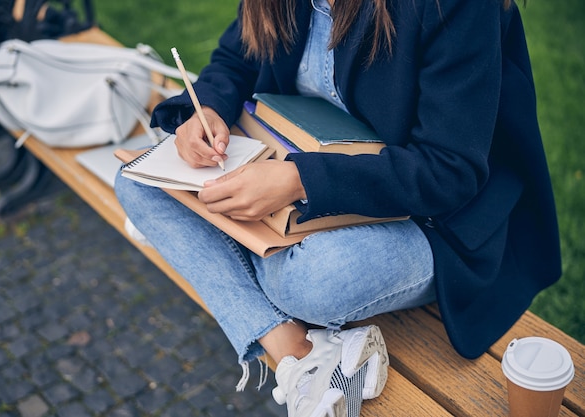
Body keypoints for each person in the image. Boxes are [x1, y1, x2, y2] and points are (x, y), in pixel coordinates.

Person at [114, 0, 562, 415]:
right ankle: (298, 351)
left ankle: (206, 250)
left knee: (311, 281)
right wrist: (208, 108)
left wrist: (297, 180)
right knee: (138, 182)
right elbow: (240, 56)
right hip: (300, 173)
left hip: (431, 217)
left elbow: (448, 170)